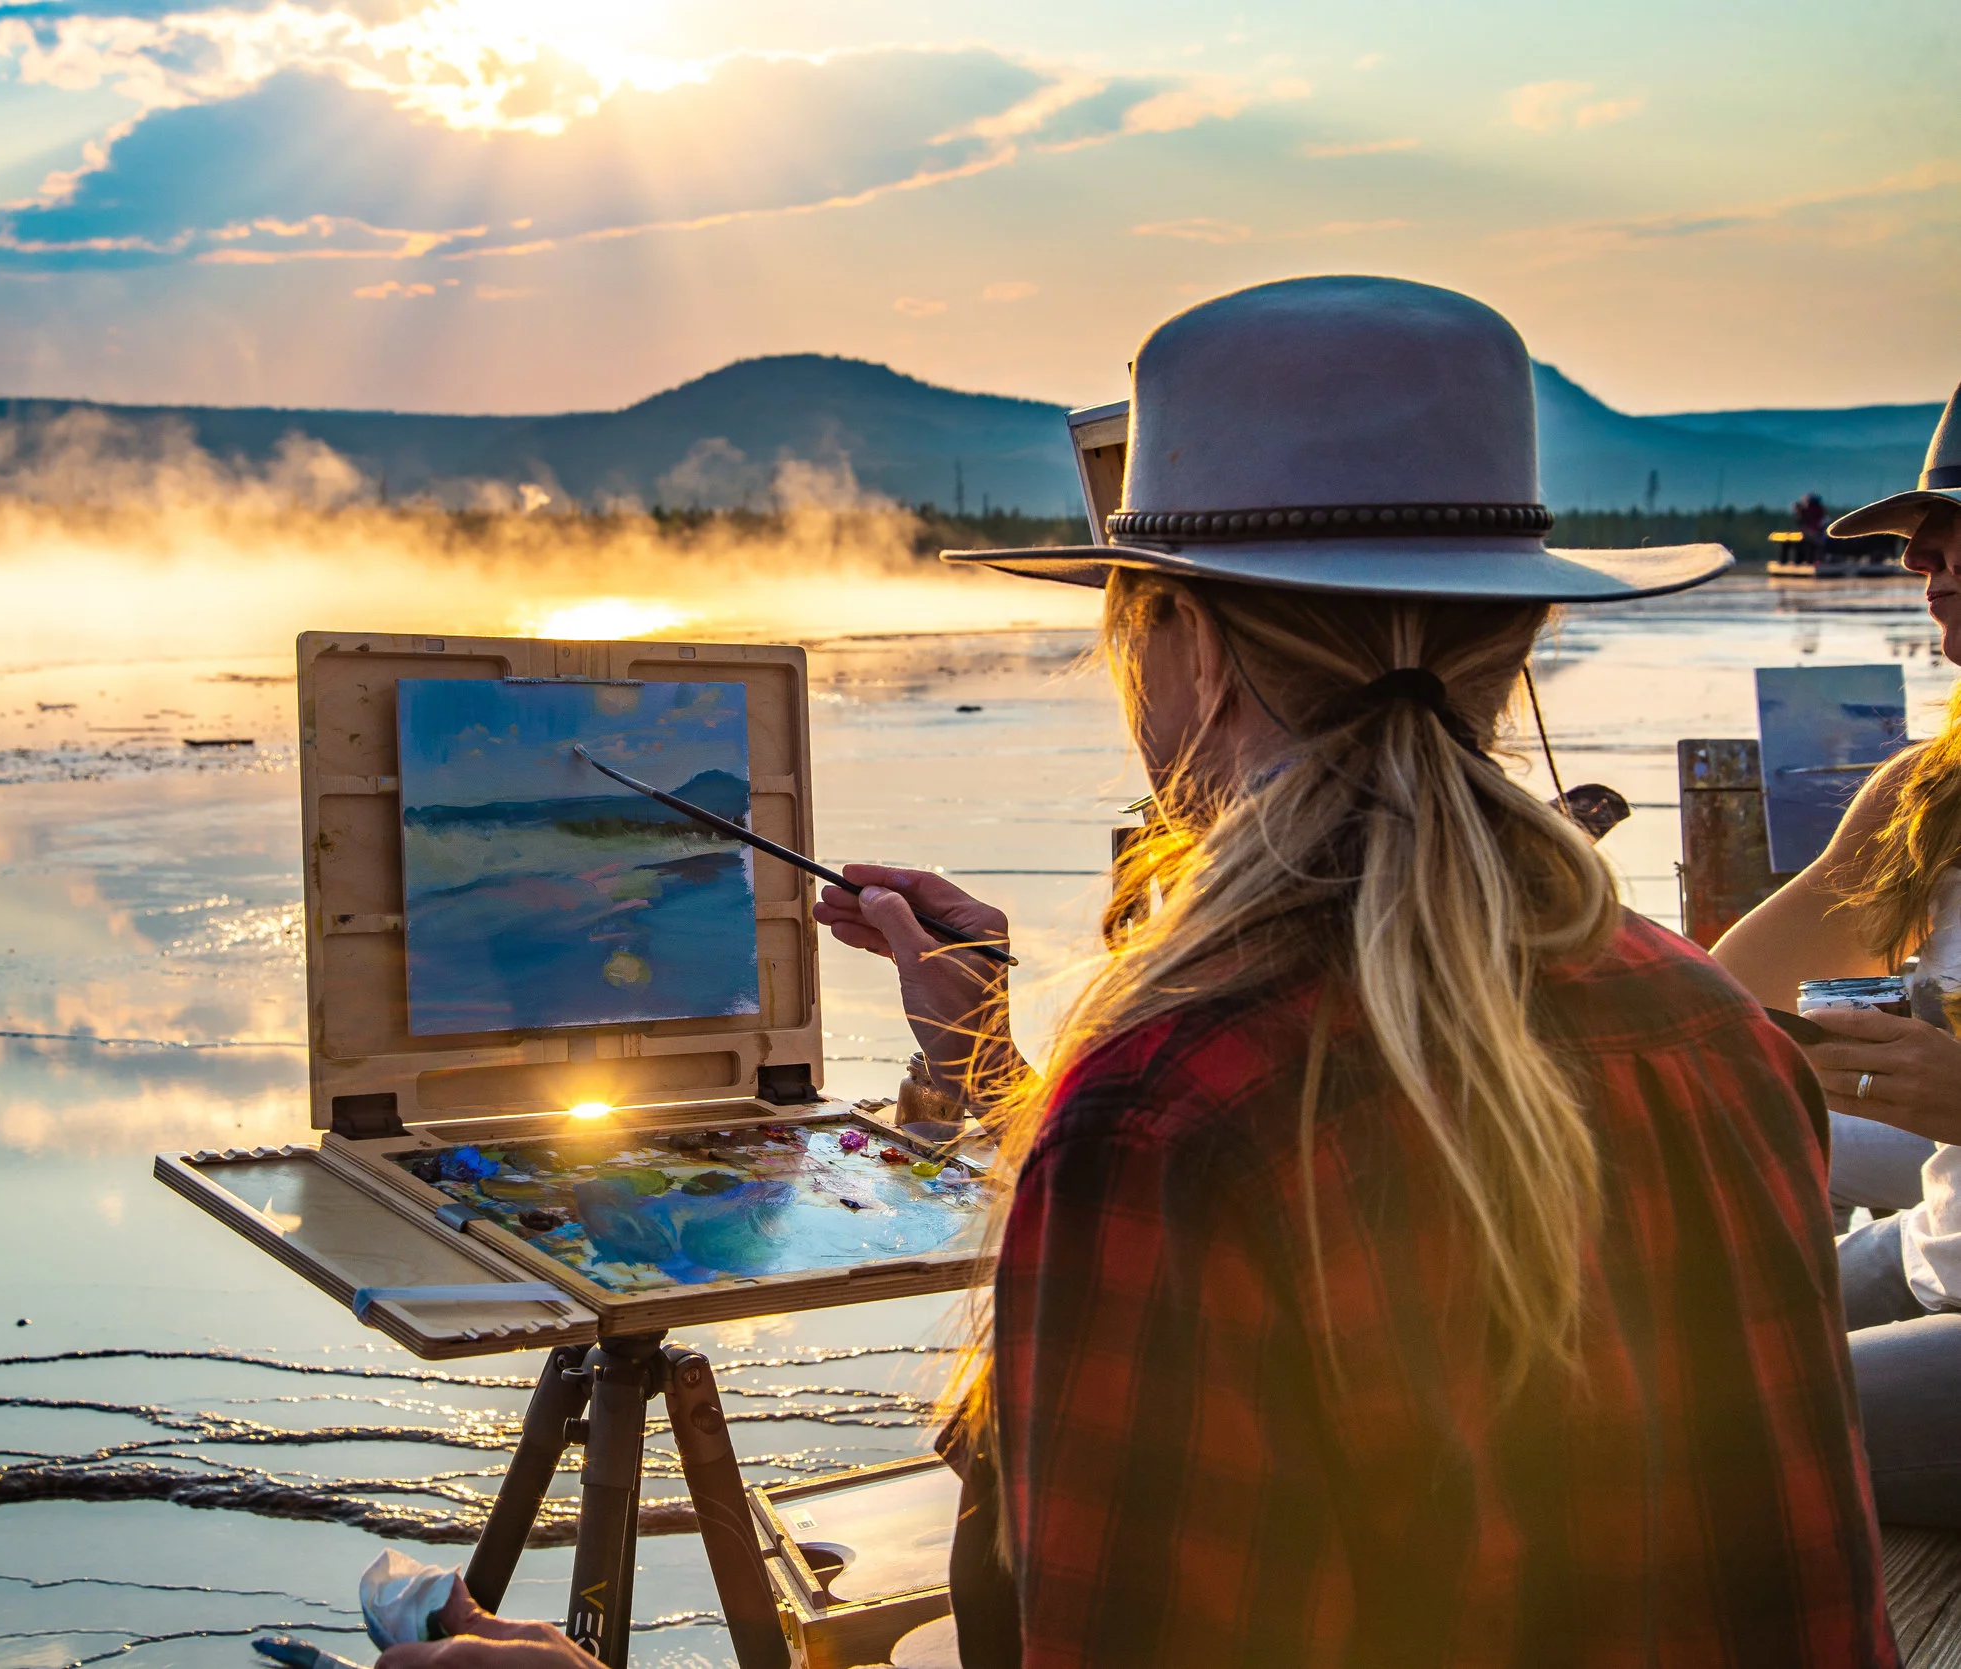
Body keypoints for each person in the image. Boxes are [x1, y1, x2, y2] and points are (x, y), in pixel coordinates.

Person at [374, 278, 1895, 1669]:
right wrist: (985, 1065)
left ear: (1189, 643)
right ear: (1525, 632)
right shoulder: (1709, 1025)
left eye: (1126, 614)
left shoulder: (1173, 1113)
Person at [1712, 380, 1961, 1529]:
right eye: (1923, 533)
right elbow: (1721, 996)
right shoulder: (1930, 792)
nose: (1921, 561)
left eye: (1954, 529)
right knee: (1662, 1327)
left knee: (1718, 1427)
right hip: (1940, 1236)